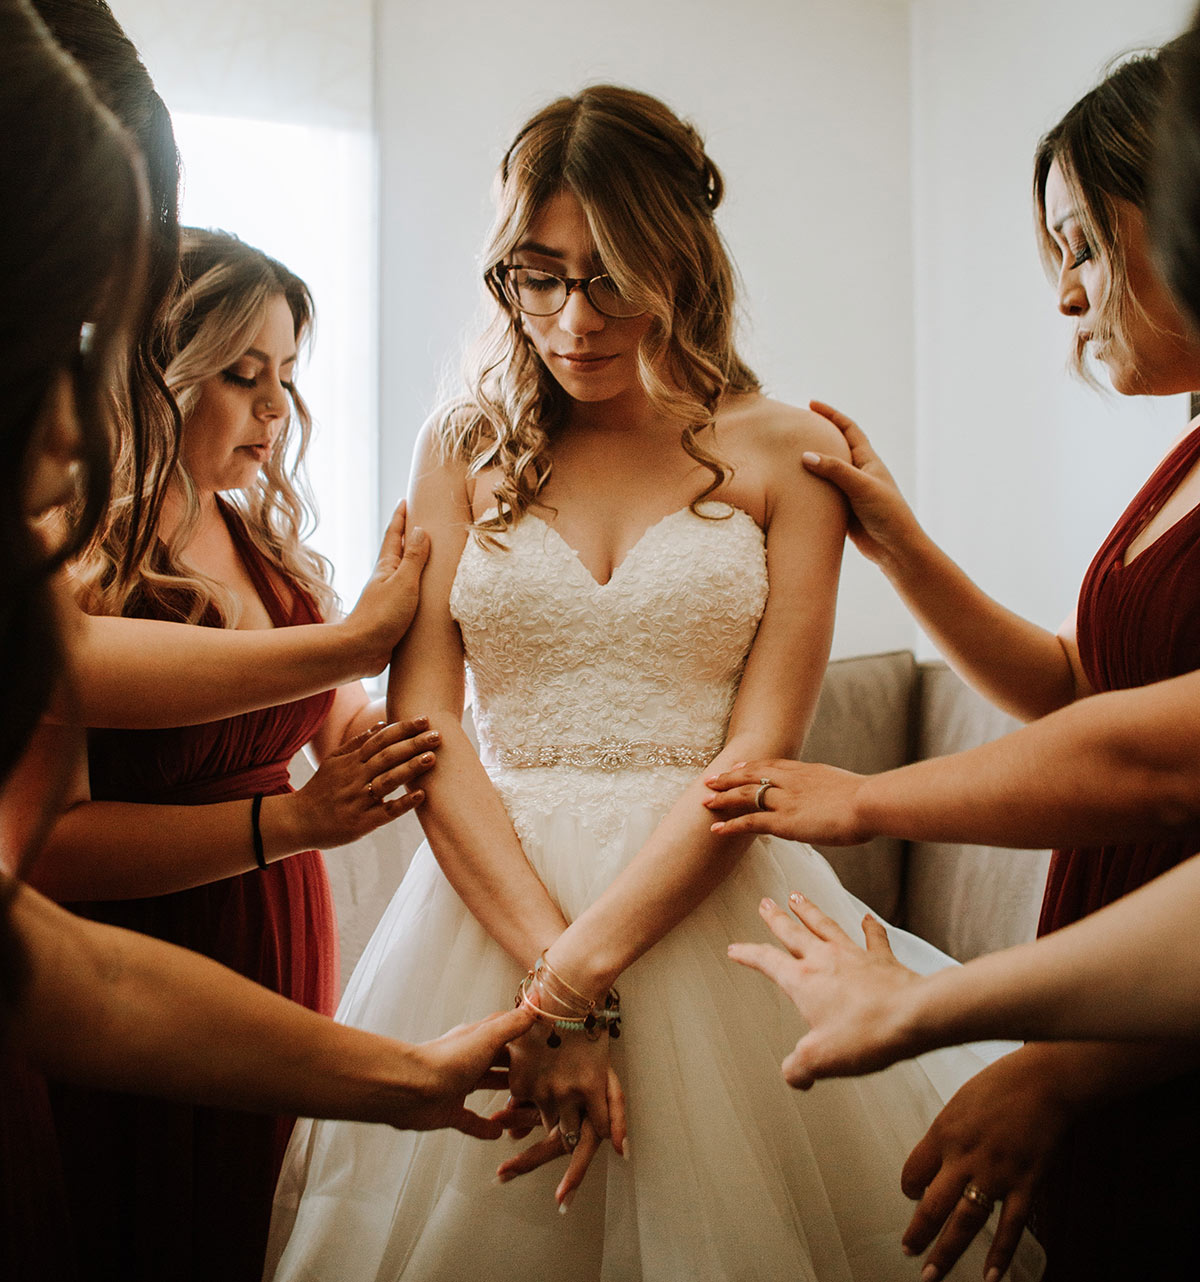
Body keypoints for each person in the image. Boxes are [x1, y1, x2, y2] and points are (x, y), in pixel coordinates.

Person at [263, 85, 1043, 1282]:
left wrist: (583, 978)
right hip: (487, 908)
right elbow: (432, 735)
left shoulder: (791, 454)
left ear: (683, 258)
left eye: (614, 274)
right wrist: (550, 984)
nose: (575, 318)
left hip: (711, 901)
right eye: (541, 276)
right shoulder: (460, 448)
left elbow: (756, 758)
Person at [707, 41, 1200, 1282]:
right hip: (1112, 989)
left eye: (1085, 243)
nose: (1066, 295)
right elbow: (1082, 692)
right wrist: (903, 548)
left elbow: (1158, 759)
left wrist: (865, 797)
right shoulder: (1181, 461)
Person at [20, 228, 439, 1282]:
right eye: (242, 375)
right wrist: (289, 822)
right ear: (153, 381)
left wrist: (405, 730)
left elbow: (336, 712)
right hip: (137, 951)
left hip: (281, 932)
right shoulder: (66, 563)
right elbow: (51, 849)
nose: (276, 408)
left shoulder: (269, 543)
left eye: (289, 376)